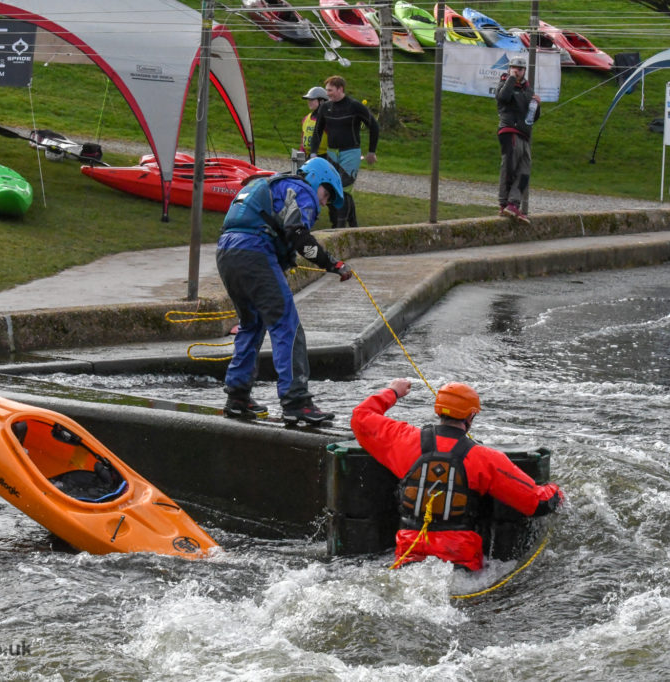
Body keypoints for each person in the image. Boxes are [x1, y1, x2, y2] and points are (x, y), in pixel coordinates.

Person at [350, 379, 563, 571]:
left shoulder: (404, 440)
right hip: (461, 567)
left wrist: (393, 391)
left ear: (438, 411)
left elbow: (361, 417)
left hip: (409, 561)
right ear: (471, 416)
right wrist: (558, 493)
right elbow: (538, 504)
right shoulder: (486, 458)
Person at [216, 157, 354, 425]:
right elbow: (299, 234)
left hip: (226, 251)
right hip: (254, 251)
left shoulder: (269, 185)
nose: (324, 203)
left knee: (252, 323)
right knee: (286, 326)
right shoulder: (300, 189)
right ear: (317, 179)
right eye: (327, 194)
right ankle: (296, 402)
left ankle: (237, 397)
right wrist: (332, 264)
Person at [308, 75, 380, 229]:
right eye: (327, 90)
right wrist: (313, 153)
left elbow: (374, 126)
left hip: (351, 152)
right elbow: (317, 132)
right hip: (332, 153)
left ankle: (340, 227)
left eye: (330, 90)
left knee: (342, 188)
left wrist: (371, 151)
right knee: (333, 188)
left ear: (340, 89)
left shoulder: (354, 106)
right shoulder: (325, 107)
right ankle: (351, 225)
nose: (327, 94)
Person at [496, 55, 540, 224]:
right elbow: (503, 98)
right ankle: (504, 203)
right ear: (509, 68)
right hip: (509, 130)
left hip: (524, 133)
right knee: (509, 166)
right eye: (514, 68)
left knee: (525, 170)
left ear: (524, 71)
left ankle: (513, 205)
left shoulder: (528, 89)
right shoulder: (504, 83)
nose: (517, 71)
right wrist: (511, 78)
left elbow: (532, 117)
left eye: (520, 69)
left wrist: (537, 105)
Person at [300, 86, 328, 156]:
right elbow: (303, 141)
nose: (309, 102)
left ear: (321, 101)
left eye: (312, 99)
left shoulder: (327, 119)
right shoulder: (306, 118)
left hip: (324, 156)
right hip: (309, 156)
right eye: (308, 100)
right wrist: (301, 153)